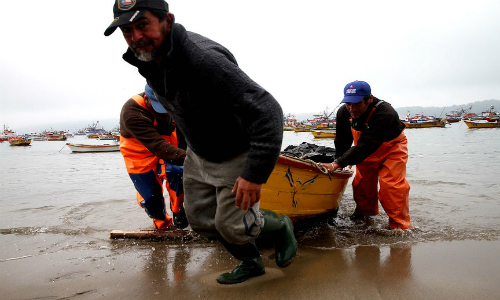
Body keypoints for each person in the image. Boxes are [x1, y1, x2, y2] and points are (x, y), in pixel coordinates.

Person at [104, 0, 297, 284]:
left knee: (232, 226)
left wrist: (254, 174)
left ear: (167, 20)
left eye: (142, 25)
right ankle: (251, 262)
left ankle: (281, 226)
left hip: (236, 150)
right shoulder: (149, 60)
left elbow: (268, 111)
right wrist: (188, 151)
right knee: (201, 222)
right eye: (126, 30)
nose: (135, 37)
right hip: (199, 153)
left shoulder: (202, 59)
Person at [319, 80, 411, 230]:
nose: (352, 108)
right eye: (348, 104)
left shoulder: (385, 113)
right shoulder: (344, 112)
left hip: (392, 149)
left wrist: (336, 164)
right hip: (364, 150)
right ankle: (364, 217)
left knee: (391, 186)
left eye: (357, 104)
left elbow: (366, 145)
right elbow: (343, 140)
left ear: (369, 98)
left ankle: (400, 227)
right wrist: (338, 162)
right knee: (362, 185)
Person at [119, 84, 189, 231]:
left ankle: (178, 211)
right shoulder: (131, 111)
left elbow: (186, 134)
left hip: (170, 146)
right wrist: (193, 159)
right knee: (150, 197)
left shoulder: (176, 104)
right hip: (139, 153)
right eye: (159, 108)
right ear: (146, 98)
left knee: (178, 174)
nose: (164, 113)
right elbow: (158, 146)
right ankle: (162, 225)